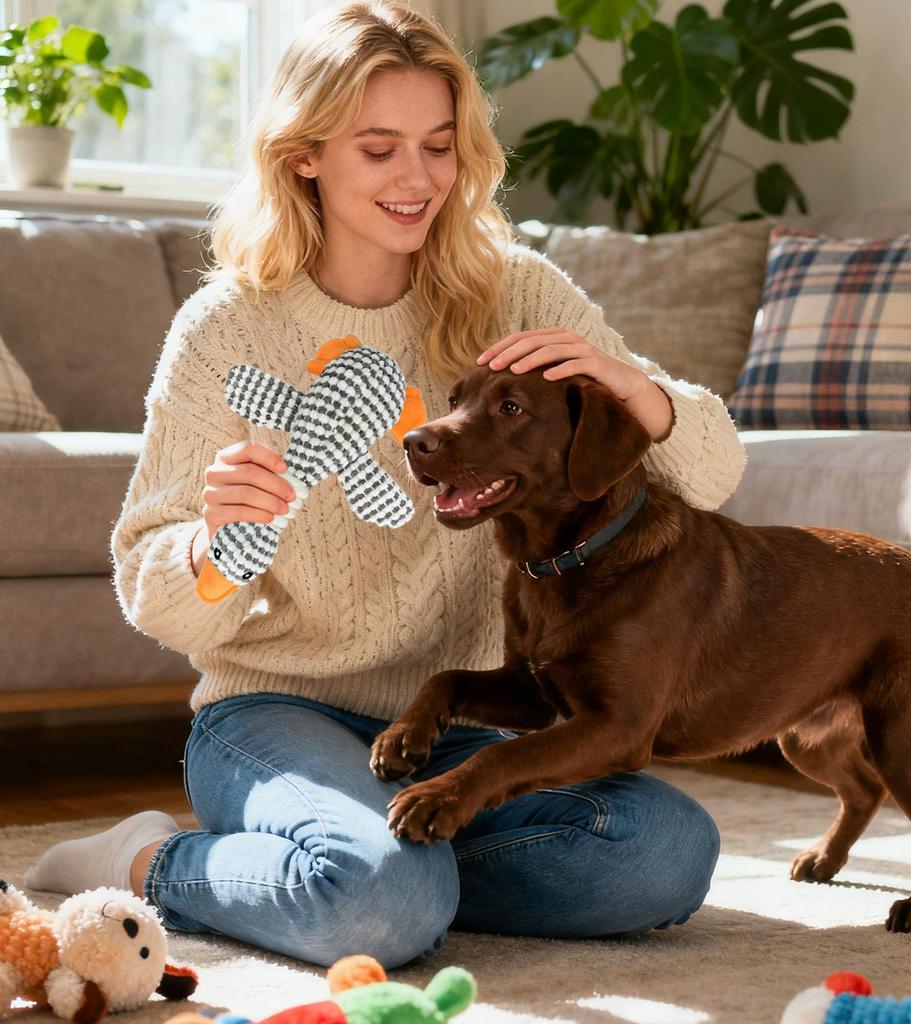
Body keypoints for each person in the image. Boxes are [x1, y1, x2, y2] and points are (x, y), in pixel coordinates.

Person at [25, 1, 746, 968]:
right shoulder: (225, 329)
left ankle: (376, 872)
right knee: (379, 902)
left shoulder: (519, 290)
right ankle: (150, 861)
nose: (418, 179)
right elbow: (151, 588)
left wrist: (633, 386)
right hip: (279, 714)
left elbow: (714, 475)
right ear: (304, 155)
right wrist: (212, 545)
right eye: (379, 149)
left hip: (464, 721)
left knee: (664, 851)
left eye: (439, 147)